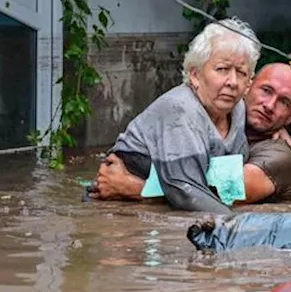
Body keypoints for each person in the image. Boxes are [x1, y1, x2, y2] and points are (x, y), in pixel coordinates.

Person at [95, 18, 259, 214]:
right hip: (119, 212)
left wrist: (137, 189)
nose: (232, 81)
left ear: (249, 82)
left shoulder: (239, 109)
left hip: (149, 199)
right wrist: (242, 229)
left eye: (241, 72)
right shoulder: (181, 109)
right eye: (222, 69)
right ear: (195, 75)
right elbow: (186, 192)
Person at [94, 61, 291, 205]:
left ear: (290, 117)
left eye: (283, 102)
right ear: (247, 86)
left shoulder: (280, 157)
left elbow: (223, 194)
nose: (269, 105)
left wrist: (132, 188)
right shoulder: (217, 116)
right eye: (266, 91)